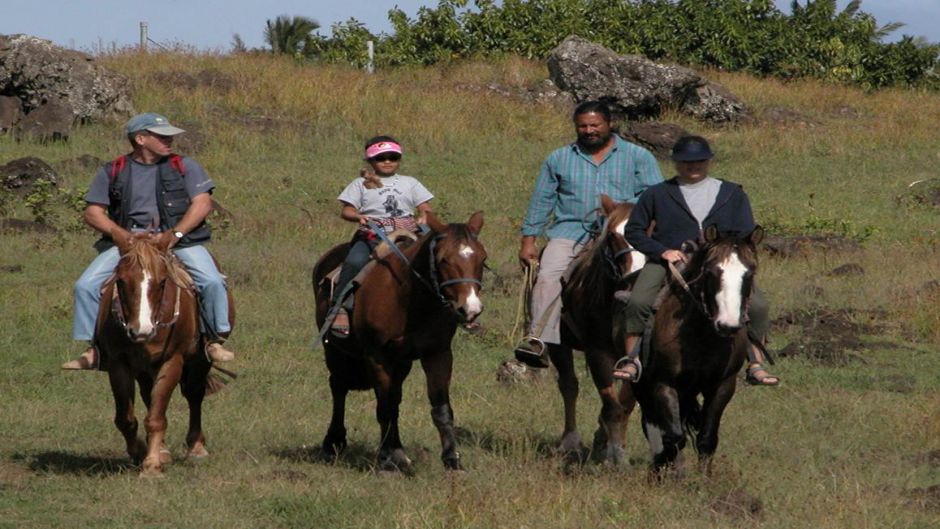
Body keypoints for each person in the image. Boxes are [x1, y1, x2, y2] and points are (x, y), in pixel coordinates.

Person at [62, 113, 235, 369]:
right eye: (162, 136)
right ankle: (94, 349)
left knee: (210, 281)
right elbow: (92, 212)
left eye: (169, 135)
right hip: (128, 244)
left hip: (179, 241)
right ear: (141, 139)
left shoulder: (185, 166)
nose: (169, 140)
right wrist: (119, 234)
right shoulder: (113, 170)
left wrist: (174, 234)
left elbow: (202, 204)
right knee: (85, 285)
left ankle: (214, 341)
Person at [612, 135, 779, 385]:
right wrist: (661, 251)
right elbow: (634, 230)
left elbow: (744, 233)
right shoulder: (657, 193)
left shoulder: (732, 193)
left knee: (758, 306)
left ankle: (755, 362)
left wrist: (724, 251)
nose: (693, 166)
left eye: (699, 161)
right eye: (686, 161)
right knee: (639, 300)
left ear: (709, 161)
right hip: (669, 260)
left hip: (720, 262)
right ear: (676, 163)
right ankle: (632, 358)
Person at [515, 101, 663, 367]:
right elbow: (542, 200)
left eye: (595, 125)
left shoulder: (638, 156)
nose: (589, 130)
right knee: (548, 277)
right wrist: (529, 240)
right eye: (582, 126)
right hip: (571, 231)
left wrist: (619, 210)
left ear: (609, 124)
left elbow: (654, 196)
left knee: (653, 276)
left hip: (625, 233)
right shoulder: (558, 158)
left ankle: (660, 337)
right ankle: (538, 340)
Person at [329, 135, 434, 336]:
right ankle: (339, 306)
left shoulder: (410, 182)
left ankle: (454, 306)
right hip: (373, 233)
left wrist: (423, 216)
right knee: (354, 261)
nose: (387, 161)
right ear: (370, 161)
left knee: (442, 256)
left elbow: (425, 207)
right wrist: (358, 216)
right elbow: (347, 210)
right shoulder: (359, 184)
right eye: (381, 158)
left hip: (408, 232)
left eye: (393, 157)